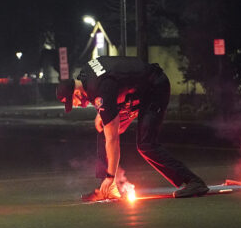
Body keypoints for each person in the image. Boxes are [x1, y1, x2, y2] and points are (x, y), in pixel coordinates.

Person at [56, 56, 209, 200]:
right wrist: (102, 112)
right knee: (103, 128)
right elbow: (110, 85)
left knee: (146, 145)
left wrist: (111, 175)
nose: (75, 105)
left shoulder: (100, 91)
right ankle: (109, 188)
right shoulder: (85, 73)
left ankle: (193, 182)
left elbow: (113, 138)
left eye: (73, 102)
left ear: (76, 92)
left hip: (154, 88)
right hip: (136, 90)